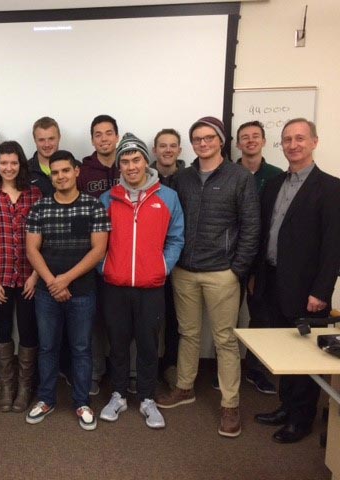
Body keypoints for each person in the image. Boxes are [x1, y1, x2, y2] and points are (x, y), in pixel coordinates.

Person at [156, 116, 260, 438]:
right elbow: (170, 222)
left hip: (222, 274)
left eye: (209, 138)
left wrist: (236, 270)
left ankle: (230, 404)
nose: (203, 143)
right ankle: (185, 387)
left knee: (225, 340)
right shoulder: (183, 179)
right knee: (188, 333)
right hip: (185, 272)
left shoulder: (239, 177)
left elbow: (251, 227)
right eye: (197, 139)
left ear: (221, 141)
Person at [253, 118, 340, 443]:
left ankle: (301, 419)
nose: (293, 144)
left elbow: (334, 246)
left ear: (314, 142)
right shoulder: (275, 184)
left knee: (305, 353)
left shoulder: (331, 188)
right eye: (287, 139)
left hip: (307, 289)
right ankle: (285, 407)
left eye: (300, 138)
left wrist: (321, 291)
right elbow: (265, 235)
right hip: (273, 280)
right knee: (283, 349)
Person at [99, 133, 184, 429]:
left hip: (151, 286)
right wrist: (104, 267)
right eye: (125, 161)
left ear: (145, 161)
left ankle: (147, 398)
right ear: (119, 165)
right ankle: (119, 394)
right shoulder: (108, 198)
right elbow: (97, 243)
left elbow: (176, 238)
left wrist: (162, 267)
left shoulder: (167, 197)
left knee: (148, 344)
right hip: (115, 286)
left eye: (136, 159)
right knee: (118, 343)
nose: (131, 166)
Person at [25, 150, 110, 431]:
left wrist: (65, 280)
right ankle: (46, 399)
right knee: (48, 347)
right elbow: (32, 249)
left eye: (65, 170)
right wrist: (52, 282)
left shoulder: (93, 207)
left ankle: (81, 402)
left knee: (81, 348)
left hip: (83, 291)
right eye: (55, 172)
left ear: (76, 172)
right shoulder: (40, 207)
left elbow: (98, 250)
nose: (60, 176)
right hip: (47, 292)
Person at [0, 141, 42, 413]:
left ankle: (25, 387)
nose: (9, 167)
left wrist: (36, 276)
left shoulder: (34, 195)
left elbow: (43, 239)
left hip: (28, 278)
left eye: (14, 163)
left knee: (28, 331)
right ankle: (7, 385)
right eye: (4, 163)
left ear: (21, 165)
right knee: (1, 331)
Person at [235, 120, 283, 395]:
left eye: (255, 136)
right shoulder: (227, 172)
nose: (250, 141)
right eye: (245, 137)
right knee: (224, 321)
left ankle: (256, 370)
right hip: (229, 260)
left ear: (263, 141)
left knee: (261, 317)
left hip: (261, 262)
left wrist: (255, 269)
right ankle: (224, 369)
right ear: (238, 143)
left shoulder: (277, 176)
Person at [77, 114, 120, 396]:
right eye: (98, 134)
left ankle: (122, 373)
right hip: (91, 257)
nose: (104, 138)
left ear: (117, 135)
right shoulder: (83, 171)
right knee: (91, 320)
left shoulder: (130, 163)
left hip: (124, 256)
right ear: (92, 139)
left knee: (120, 320)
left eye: (108, 133)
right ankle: (94, 372)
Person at [150, 128, 186, 388]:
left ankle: (171, 364)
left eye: (173, 146)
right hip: (146, 262)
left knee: (176, 318)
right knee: (150, 319)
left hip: (180, 261)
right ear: (155, 150)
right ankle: (149, 366)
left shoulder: (190, 179)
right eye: (163, 146)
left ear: (180, 150)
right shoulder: (144, 177)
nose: (168, 150)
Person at [28, 116, 60, 196]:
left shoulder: (74, 166)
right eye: (41, 140)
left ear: (59, 137)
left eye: (51, 139)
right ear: (34, 140)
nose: (47, 144)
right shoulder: (24, 170)